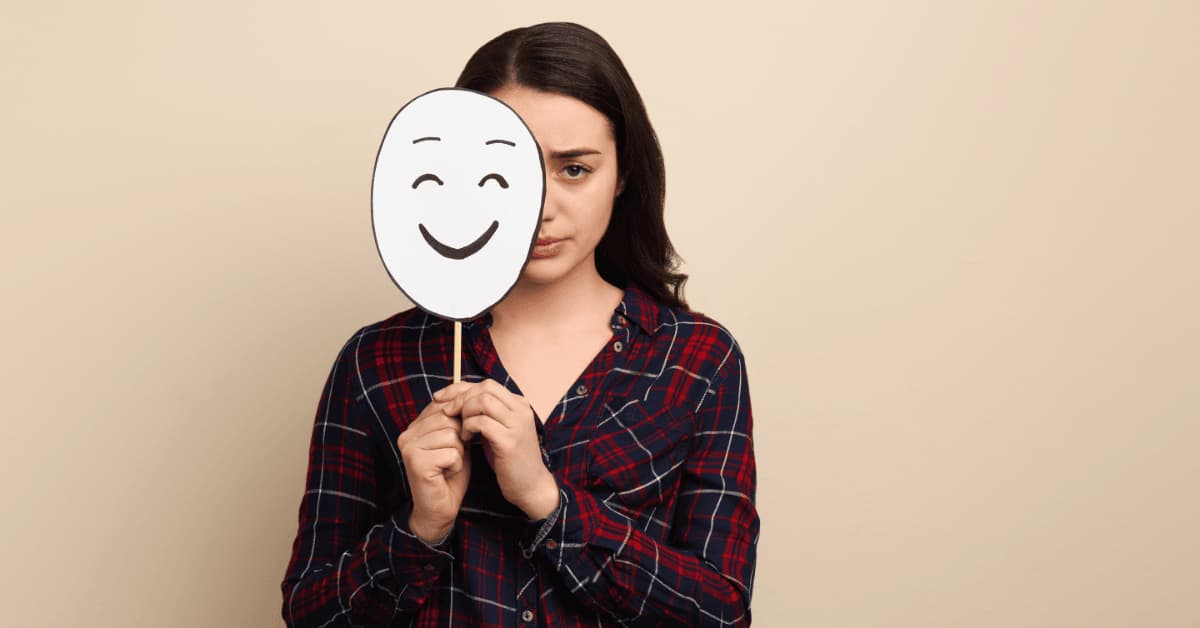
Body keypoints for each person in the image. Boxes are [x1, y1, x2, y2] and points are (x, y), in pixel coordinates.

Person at [281, 21, 759, 627]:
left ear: (624, 175)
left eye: (574, 169)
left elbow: (720, 613)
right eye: (508, 174)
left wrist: (548, 501)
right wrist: (419, 530)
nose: (540, 206)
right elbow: (309, 615)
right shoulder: (378, 361)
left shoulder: (699, 361)